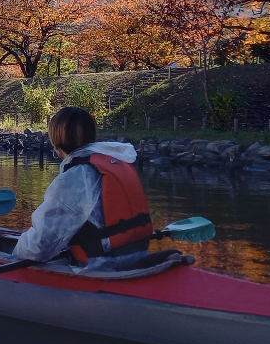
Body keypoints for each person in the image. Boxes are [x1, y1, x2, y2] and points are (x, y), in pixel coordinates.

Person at [12, 106, 167, 272]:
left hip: (105, 267)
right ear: (93, 136)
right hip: (137, 257)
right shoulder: (116, 163)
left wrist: (12, 256)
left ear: (55, 144)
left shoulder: (76, 177)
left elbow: (41, 244)